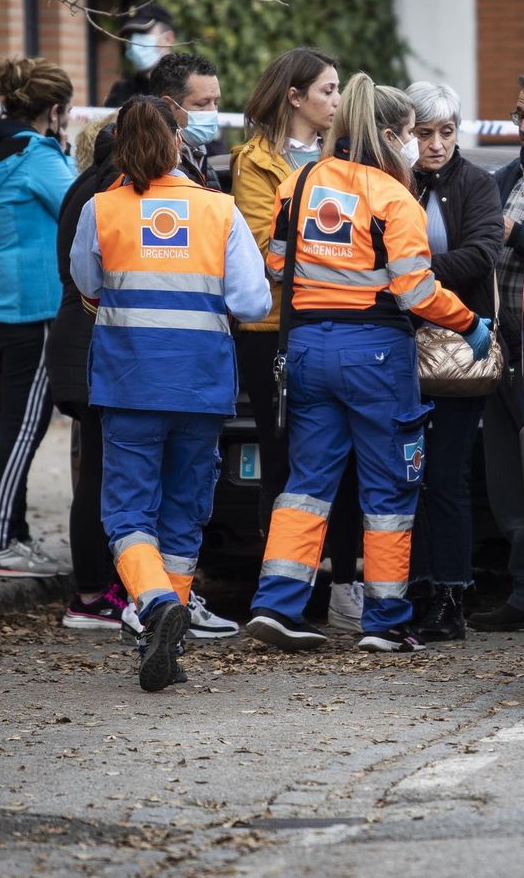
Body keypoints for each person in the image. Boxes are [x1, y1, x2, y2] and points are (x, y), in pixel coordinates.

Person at [245, 74, 491, 655]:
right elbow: (416, 291)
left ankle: (277, 603)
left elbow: (276, 265)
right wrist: (469, 324)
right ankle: (384, 621)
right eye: (410, 132)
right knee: (390, 487)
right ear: (389, 135)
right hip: (376, 355)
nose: (415, 144)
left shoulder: (299, 183)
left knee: (307, 485)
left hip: (307, 349)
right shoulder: (391, 197)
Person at [68, 96, 271, 691]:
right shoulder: (220, 210)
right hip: (200, 385)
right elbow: (254, 303)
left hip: (130, 382)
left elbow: (86, 281)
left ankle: (155, 607)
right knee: (185, 512)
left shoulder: (100, 209)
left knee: (129, 512)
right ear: (180, 143)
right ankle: (170, 640)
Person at [230, 48, 371, 628]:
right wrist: (345, 257)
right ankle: (283, 596)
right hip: (273, 329)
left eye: (338, 91)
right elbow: (270, 255)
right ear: (295, 96)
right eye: (327, 91)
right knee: (285, 460)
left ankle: (343, 588)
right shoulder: (255, 163)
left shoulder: (349, 155)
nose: (336, 102)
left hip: (337, 321)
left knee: (342, 460)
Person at [0, 58, 76, 578]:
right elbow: (84, 209)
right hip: (35, 309)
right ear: (54, 110)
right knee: (24, 428)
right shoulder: (37, 156)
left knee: (13, 424)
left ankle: (17, 534)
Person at [403, 81, 503, 642]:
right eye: (424, 133)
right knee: (401, 479)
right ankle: (407, 591)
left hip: (458, 351)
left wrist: (408, 275)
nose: (437, 144)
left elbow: (482, 253)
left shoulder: (477, 184)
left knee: (445, 477)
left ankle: (450, 598)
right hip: (394, 349)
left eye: (446, 132)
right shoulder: (390, 182)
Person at [469, 68, 524, 633]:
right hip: (500, 349)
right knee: (506, 479)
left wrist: (518, 234)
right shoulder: (499, 182)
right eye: (520, 115)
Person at [47, 115, 128, 627]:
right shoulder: (108, 192)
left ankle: (96, 590)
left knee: (96, 472)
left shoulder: (86, 184)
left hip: (79, 344)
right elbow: (91, 276)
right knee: (101, 472)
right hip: (93, 346)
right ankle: (94, 593)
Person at [151, 52, 224, 189]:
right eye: (201, 104)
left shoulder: (199, 154)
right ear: (167, 106)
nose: (212, 111)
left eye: (216, 102)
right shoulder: (145, 162)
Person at [103, 4, 176, 108]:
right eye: (130, 36)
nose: (134, 41)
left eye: (142, 33)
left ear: (168, 39)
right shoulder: (121, 92)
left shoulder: (188, 86)